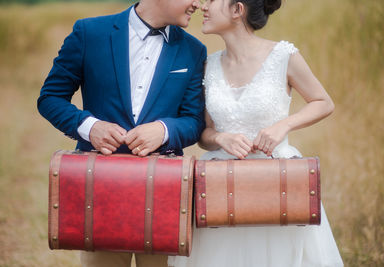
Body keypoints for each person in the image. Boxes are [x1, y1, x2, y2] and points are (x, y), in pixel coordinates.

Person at [167, 0, 344, 266]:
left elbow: (323, 102)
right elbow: (205, 133)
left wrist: (283, 126)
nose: (204, 5)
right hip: (220, 188)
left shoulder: (284, 56)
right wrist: (219, 138)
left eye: (214, 0)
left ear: (237, 10)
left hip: (279, 181)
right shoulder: (208, 65)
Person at [37, 0, 206, 266]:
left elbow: (194, 121)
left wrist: (164, 130)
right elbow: (50, 98)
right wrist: (90, 127)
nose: (198, 3)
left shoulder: (194, 51)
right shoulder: (89, 33)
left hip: (163, 193)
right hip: (101, 189)